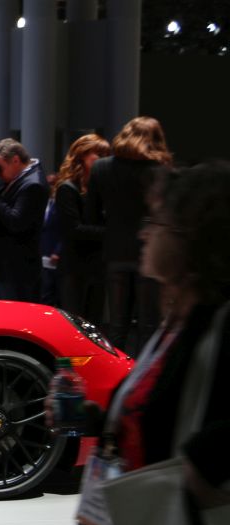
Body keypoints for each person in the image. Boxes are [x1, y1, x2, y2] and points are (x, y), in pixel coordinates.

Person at [79, 162, 230, 525]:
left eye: (158, 222)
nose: (144, 234)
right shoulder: (175, 324)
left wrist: (204, 463)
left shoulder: (219, 325)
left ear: (195, 241)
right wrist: (96, 421)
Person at [86, 116, 174, 354]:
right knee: (149, 326)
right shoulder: (162, 171)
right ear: (156, 139)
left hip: (115, 252)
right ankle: (144, 376)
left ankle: (116, 375)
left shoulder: (100, 168)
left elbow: (91, 216)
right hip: (150, 254)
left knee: (116, 327)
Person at [0, 138, 48, 302]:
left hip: (17, 270)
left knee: (15, 315)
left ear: (15, 160)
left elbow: (16, 222)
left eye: (0, 167)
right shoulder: (18, 177)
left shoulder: (33, 185)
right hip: (5, 267)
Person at [46, 134, 110, 317]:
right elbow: (73, 230)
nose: (104, 160)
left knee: (95, 323)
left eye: (106, 155)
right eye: (99, 154)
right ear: (82, 155)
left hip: (97, 266)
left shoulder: (100, 187)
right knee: (76, 322)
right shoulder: (67, 188)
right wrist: (111, 232)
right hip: (74, 269)